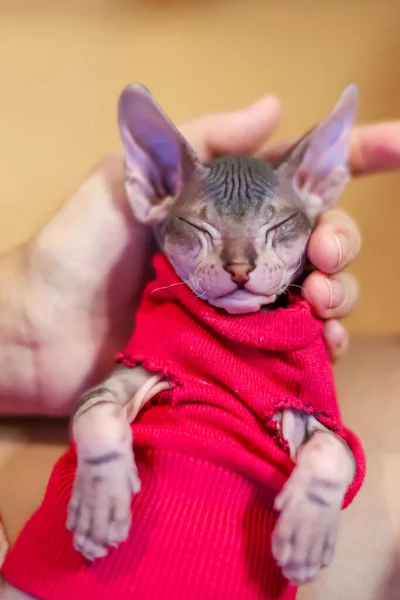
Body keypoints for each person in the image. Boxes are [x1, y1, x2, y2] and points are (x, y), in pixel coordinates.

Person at [0, 94, 399, 599]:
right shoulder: (162, 322)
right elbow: (107, 400)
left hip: (221, 573)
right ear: (157, 188)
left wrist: (322, 483)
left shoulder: (298, 342)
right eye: (203, 232)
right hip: (70, 574)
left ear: (319, 185)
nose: (241, 264)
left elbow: (330, 441)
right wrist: (100, 455)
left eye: (277, 233)